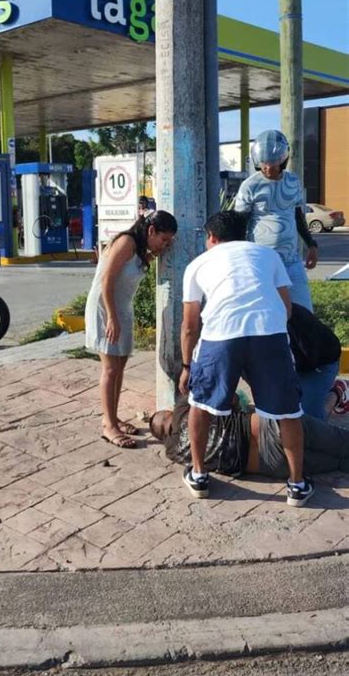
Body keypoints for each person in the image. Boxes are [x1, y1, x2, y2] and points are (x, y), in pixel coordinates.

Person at [179, 210, 314, 507]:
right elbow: (286, 307)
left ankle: (199, 475)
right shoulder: (267, 256)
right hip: (270, 334)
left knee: (199, 405)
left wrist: (187, 366)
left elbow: (190, 325)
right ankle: (297, 485)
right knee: (288, 413)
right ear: (244, 235)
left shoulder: (198, 264)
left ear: (211, 237)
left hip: (220, 337)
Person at [85, 210, 177, 448]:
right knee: (110, 368)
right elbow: (107, 281)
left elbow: (133, 269)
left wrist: (154, 254)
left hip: (123, 307)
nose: (165, 244)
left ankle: (113, 416)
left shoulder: (138, 249)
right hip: (106, 308)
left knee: (120, 365)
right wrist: (112, 318)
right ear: (151, 231)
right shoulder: (125, 242)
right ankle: (108, 426)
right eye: (163, 239)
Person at [149, 394, 349, 479]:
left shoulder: (173, 452)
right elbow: (230, 397)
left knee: (339, 463)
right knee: (341, 441)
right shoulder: (183, 408)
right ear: (168, 413)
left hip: (270, 465)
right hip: (270, 429)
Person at [234, 129, 318, 311]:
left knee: (305, 313)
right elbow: (239, 223)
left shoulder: (293, 182)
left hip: (291, 261)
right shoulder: (250, 186)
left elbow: (298, 215)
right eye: (264, 164)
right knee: (268, 313)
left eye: (273, 164)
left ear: (283, 160)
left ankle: (301, 340)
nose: (268, 168)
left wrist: (311, 244)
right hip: (261, 262)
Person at [288, 303, 343, 421]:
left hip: (320, 363)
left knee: (309, 423)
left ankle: (338, 393)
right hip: (298, 362)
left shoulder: (284, 321)